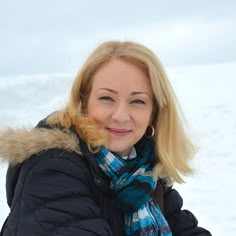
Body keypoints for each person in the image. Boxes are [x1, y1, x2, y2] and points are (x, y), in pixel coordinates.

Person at [0, 41, 211, 236]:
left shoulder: (146, 173)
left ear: (153, 113)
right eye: (106, 98)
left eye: (137, 101)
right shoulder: (53, 167)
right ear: (83, 102)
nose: (120, 115)